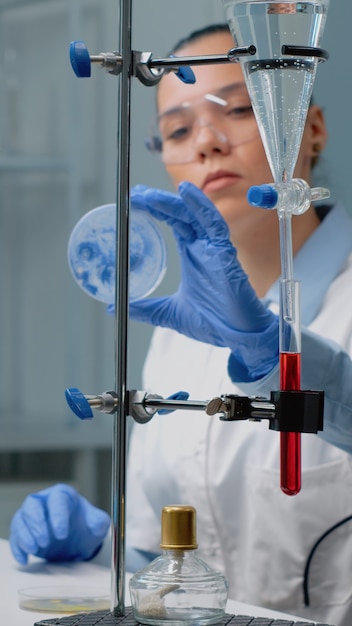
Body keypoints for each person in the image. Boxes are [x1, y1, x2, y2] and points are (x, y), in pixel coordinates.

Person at [9, 23, 352, 626]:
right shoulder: (178, 330)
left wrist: (270, 354)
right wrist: (101, 546)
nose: (207, 143)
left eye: (240, 110)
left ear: (312, 129)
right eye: (177, 129)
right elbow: (173, 549)